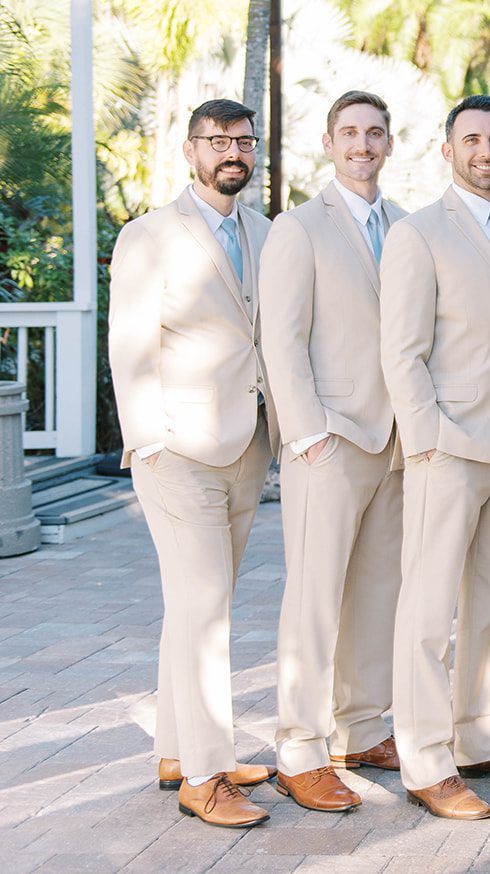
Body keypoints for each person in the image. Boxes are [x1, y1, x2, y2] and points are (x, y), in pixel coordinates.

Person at [108, 98, 280, 827]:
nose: (231, 152)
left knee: (198, 605)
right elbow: (130, 341)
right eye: (217, 141)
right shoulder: (149, 235)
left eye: (242, 140)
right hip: (177, 449)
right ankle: (206, 778)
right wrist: (148, 440)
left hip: (246, 444)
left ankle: (180, 748)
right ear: (190, 150)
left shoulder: (269, 233)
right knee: (207, 610)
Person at [380, 94, 490, 820]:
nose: (487, 150)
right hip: (447, 447)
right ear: (447, 150)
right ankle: (424, 760)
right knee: (426, 609)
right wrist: (426, 440)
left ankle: (480, 736)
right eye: (472, 139)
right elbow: (403, 350)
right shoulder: (419, 235)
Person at [260, 90, 409, 812]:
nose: (362, 144)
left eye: (374, 133)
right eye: (349, 132)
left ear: (389, 143)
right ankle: (299, 746)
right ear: (329, 143)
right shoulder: (299, 228)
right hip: (329, 441)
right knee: (314, 599)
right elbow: (281, 338)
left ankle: (362, 727)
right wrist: (308, 433)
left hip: (394, 443)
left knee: (377, 594)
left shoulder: (408, 227)